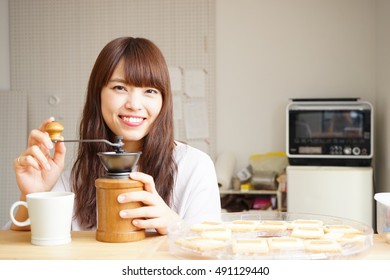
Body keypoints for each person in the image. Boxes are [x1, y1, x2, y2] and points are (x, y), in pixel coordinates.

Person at [9, 37, 221, 235]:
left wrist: (176, 226)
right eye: (120, 87)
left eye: (150, 91)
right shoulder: (74, 180)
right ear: (97, 94)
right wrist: (33, 196)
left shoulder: (195, 167)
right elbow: (19, 253)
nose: (134, 105)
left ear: (164, 101)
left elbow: (212, 256)